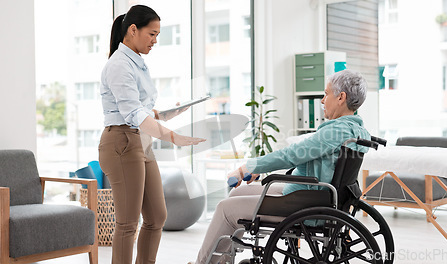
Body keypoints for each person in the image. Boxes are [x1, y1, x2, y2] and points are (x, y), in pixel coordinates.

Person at [192, 69, 371, 264]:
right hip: (318, 195)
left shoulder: (336, 131)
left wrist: (249, 167)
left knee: (225, 209)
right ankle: (220, 260)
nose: (321, 100)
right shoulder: (357, 130)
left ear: (341, 97)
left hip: (306, 201)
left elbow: (291, 155)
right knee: (237, 194)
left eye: (326, 94)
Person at [98, 5, 205, 264]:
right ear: (133, 30)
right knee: (127, 223)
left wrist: (167, 114)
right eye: (152, 34)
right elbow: (132, 113)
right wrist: (171, 136)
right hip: (121, 142)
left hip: (139, 142)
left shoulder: (137, 63)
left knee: (157, 216)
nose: (155, 41)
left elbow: (141, 109)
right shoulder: (119, 64)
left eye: (157, 35)